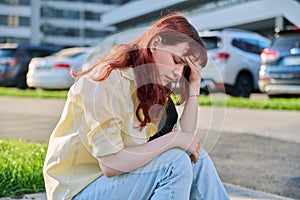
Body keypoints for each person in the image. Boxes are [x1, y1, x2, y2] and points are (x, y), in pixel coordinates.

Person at [43, 13, 229, 200]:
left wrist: (194, 83)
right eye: (176, 61)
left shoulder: (150, 88)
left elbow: (187, 142)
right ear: (156, 43)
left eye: (185, 69)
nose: (177, 73)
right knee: (175, 163)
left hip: (122, 185)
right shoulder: (106, 80)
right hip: (78, 192)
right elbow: (111, 164)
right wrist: (173, 139)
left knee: (197, 159)